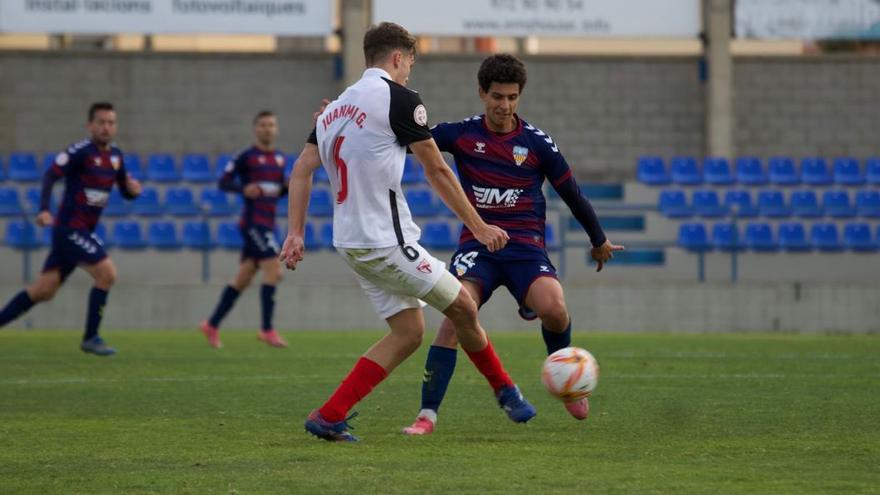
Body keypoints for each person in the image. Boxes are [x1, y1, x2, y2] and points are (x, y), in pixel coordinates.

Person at [279, 22, 536, 442]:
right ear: (398, 58)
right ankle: (506, 391)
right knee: (464, 309)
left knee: (409, 332)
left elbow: (302, 170)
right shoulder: (399, 98)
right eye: (409, 65)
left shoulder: (334, 109)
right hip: (386, 241)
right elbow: (436, 168)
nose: (409, 74)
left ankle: (328, 415)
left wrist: (295, 232)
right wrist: (480, 226)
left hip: (350, 242)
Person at [402, 54, 625, 436]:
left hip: (525, 249)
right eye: (497, 97)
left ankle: (568, 381)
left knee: (554, 310)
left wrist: (598, 239)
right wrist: (344, 122)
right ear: (481, 93)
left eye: (511, 97)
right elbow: (407, 140)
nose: (504, 106)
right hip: (478, 247)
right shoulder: (461, 134)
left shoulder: (536, 143)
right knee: (455, 318)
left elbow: (571, 192)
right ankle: (427, 416)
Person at [0, 102, 141, 356]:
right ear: (90, 126)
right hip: (69, 229)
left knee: (43, 291)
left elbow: (124, 189)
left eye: (111, 123)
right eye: (101, 122)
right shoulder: (80, 152)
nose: (106, 127)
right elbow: (50, 175)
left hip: (82, 230)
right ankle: (91, 337)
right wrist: (44, 209)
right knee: (107, 273)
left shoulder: (117, 157)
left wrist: (132, 191)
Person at [200, 111, 289, 349]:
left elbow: (277, 192)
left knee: (243, 278)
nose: (267, 129)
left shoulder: (279, 159)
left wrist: (287, 187)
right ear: (255, 129)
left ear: (276, 129)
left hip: (268, 224)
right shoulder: (246, 156)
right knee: (274, 268)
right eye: (263, 125)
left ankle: (211, 324)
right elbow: (223, 181)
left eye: (271, 125)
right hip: (253, 223)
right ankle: (267, 329)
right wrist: (243, 188)